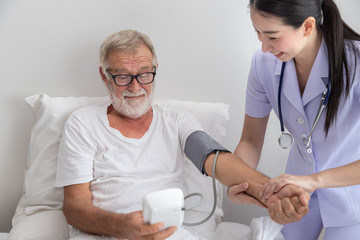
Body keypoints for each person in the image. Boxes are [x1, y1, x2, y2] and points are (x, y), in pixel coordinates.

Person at [55, 29, 309, 240]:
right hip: (102, 234)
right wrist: (122, 226)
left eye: (144, 74)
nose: (135, 87)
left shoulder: (176, 120)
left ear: (155, 70)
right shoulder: (83, 123)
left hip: (166, 234)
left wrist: (270, 189)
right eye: (122, 77)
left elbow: (214, 158)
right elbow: (75, 208)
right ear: (104, 76)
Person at [227, 0, 360, 239]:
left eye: (272, 36)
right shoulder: (262, 64)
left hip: (351, 189)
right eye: (257, 32)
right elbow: (250, 140)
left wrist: (314, 181)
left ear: (307, 26)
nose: (264, 46)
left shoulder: (356, 62)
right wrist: (240, 179)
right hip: (297, 190)